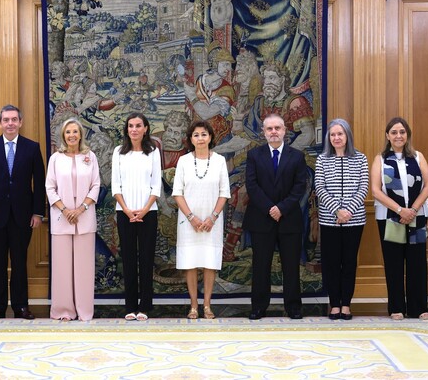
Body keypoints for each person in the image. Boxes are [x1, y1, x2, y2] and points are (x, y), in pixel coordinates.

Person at [0, 105, 46, 320]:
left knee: (19, 263)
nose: (10, 123)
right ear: (0, 123)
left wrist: (37, 213)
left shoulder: (32, 148)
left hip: (22, 216)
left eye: (14, 119)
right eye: (6, 120)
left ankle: (21, 306)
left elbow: (39, 183)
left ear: (20, 122)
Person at [242, 113, 307, 320]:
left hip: (289, 219)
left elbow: (300, 187)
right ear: (264, 132)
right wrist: (271, 208)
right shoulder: (254, 155)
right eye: (269, 129)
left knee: (291, 266)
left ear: (284, 131)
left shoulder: (296, 156)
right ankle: (259, 306)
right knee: (261, 265)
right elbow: (251, 186)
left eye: (277, 128)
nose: (273, 132)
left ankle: (293, 307)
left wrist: (281, 208)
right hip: (261, 218)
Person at [371, 117, 428, 321]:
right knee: (394, 262)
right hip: (390, 217)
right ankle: (396, 306)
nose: (399, 136)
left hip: (418, 216)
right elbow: (375, 190)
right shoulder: (380, 159)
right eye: (394, 132)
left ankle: (419, 307)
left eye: (402, 132)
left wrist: (412, 210)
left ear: (407, 135)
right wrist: (399, 210)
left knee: (417, 262)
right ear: (387, 136)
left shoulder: (418, 157)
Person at [172, 120, 230, 319]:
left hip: (212, 221)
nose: (200, 138)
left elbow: (224, 192)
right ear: (190, 139)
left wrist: (212, 217)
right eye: (196, 135)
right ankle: (194, 305)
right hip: (189, 221)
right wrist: (192, 217)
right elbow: (177, 193)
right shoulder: (184, 161)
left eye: (204, 134)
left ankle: (207, 306)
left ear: (211, 137)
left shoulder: (220, 161)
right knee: (190, 262)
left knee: (209, 262)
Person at [46, 118, 100, 321]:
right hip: (62, 219)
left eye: (75, 132)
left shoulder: (90, 157)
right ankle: (63, 311)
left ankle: (84, 311)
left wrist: (81, 208)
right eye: (68, 132)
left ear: (81, 135)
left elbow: (96, 185)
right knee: (62, 267)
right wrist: (65, 209)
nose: (72, 135)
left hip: (84, 219)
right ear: (63, 135)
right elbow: (49, 187)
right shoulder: (56, 158)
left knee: (84, 268)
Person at [315, 119, 368, 321]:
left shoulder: (360, 158)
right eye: (333, 135)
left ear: (347, 136)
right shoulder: (322, 160)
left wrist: (348, 211)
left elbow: (363, 187)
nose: (336, 138)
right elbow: (320, 187)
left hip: (355, 221)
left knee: (349, 262)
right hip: (330, 221)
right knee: (331, 262)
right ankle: (334, 304)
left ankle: (346, 304)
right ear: (329, 138)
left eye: (340, 134)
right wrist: (338, 210)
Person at [111, 112, 162, 321]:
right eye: (131, 126)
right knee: (129, 259)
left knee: (147, 259)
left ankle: (145, 306)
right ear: (127, 129)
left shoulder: (153, 152)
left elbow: (156, 185)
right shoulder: (118, 152)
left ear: (145, 128)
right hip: (124, 213)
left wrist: (143, 209)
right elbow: (116, 185)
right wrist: (127, 209)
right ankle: (130, 306)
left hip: (148, 213)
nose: (134, 129)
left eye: (138, 125)